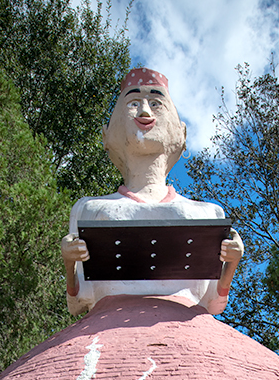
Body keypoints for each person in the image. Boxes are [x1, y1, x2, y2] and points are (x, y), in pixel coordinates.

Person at [61, 67, 243, 316]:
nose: (145, 112)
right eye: (133, 102)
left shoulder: (209, 213)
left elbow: (214, 303)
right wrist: (69, 259)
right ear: (107, 133)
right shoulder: (88, 209)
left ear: (182, 132)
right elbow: (77, 303)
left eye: (156, 103)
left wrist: (232, 261)